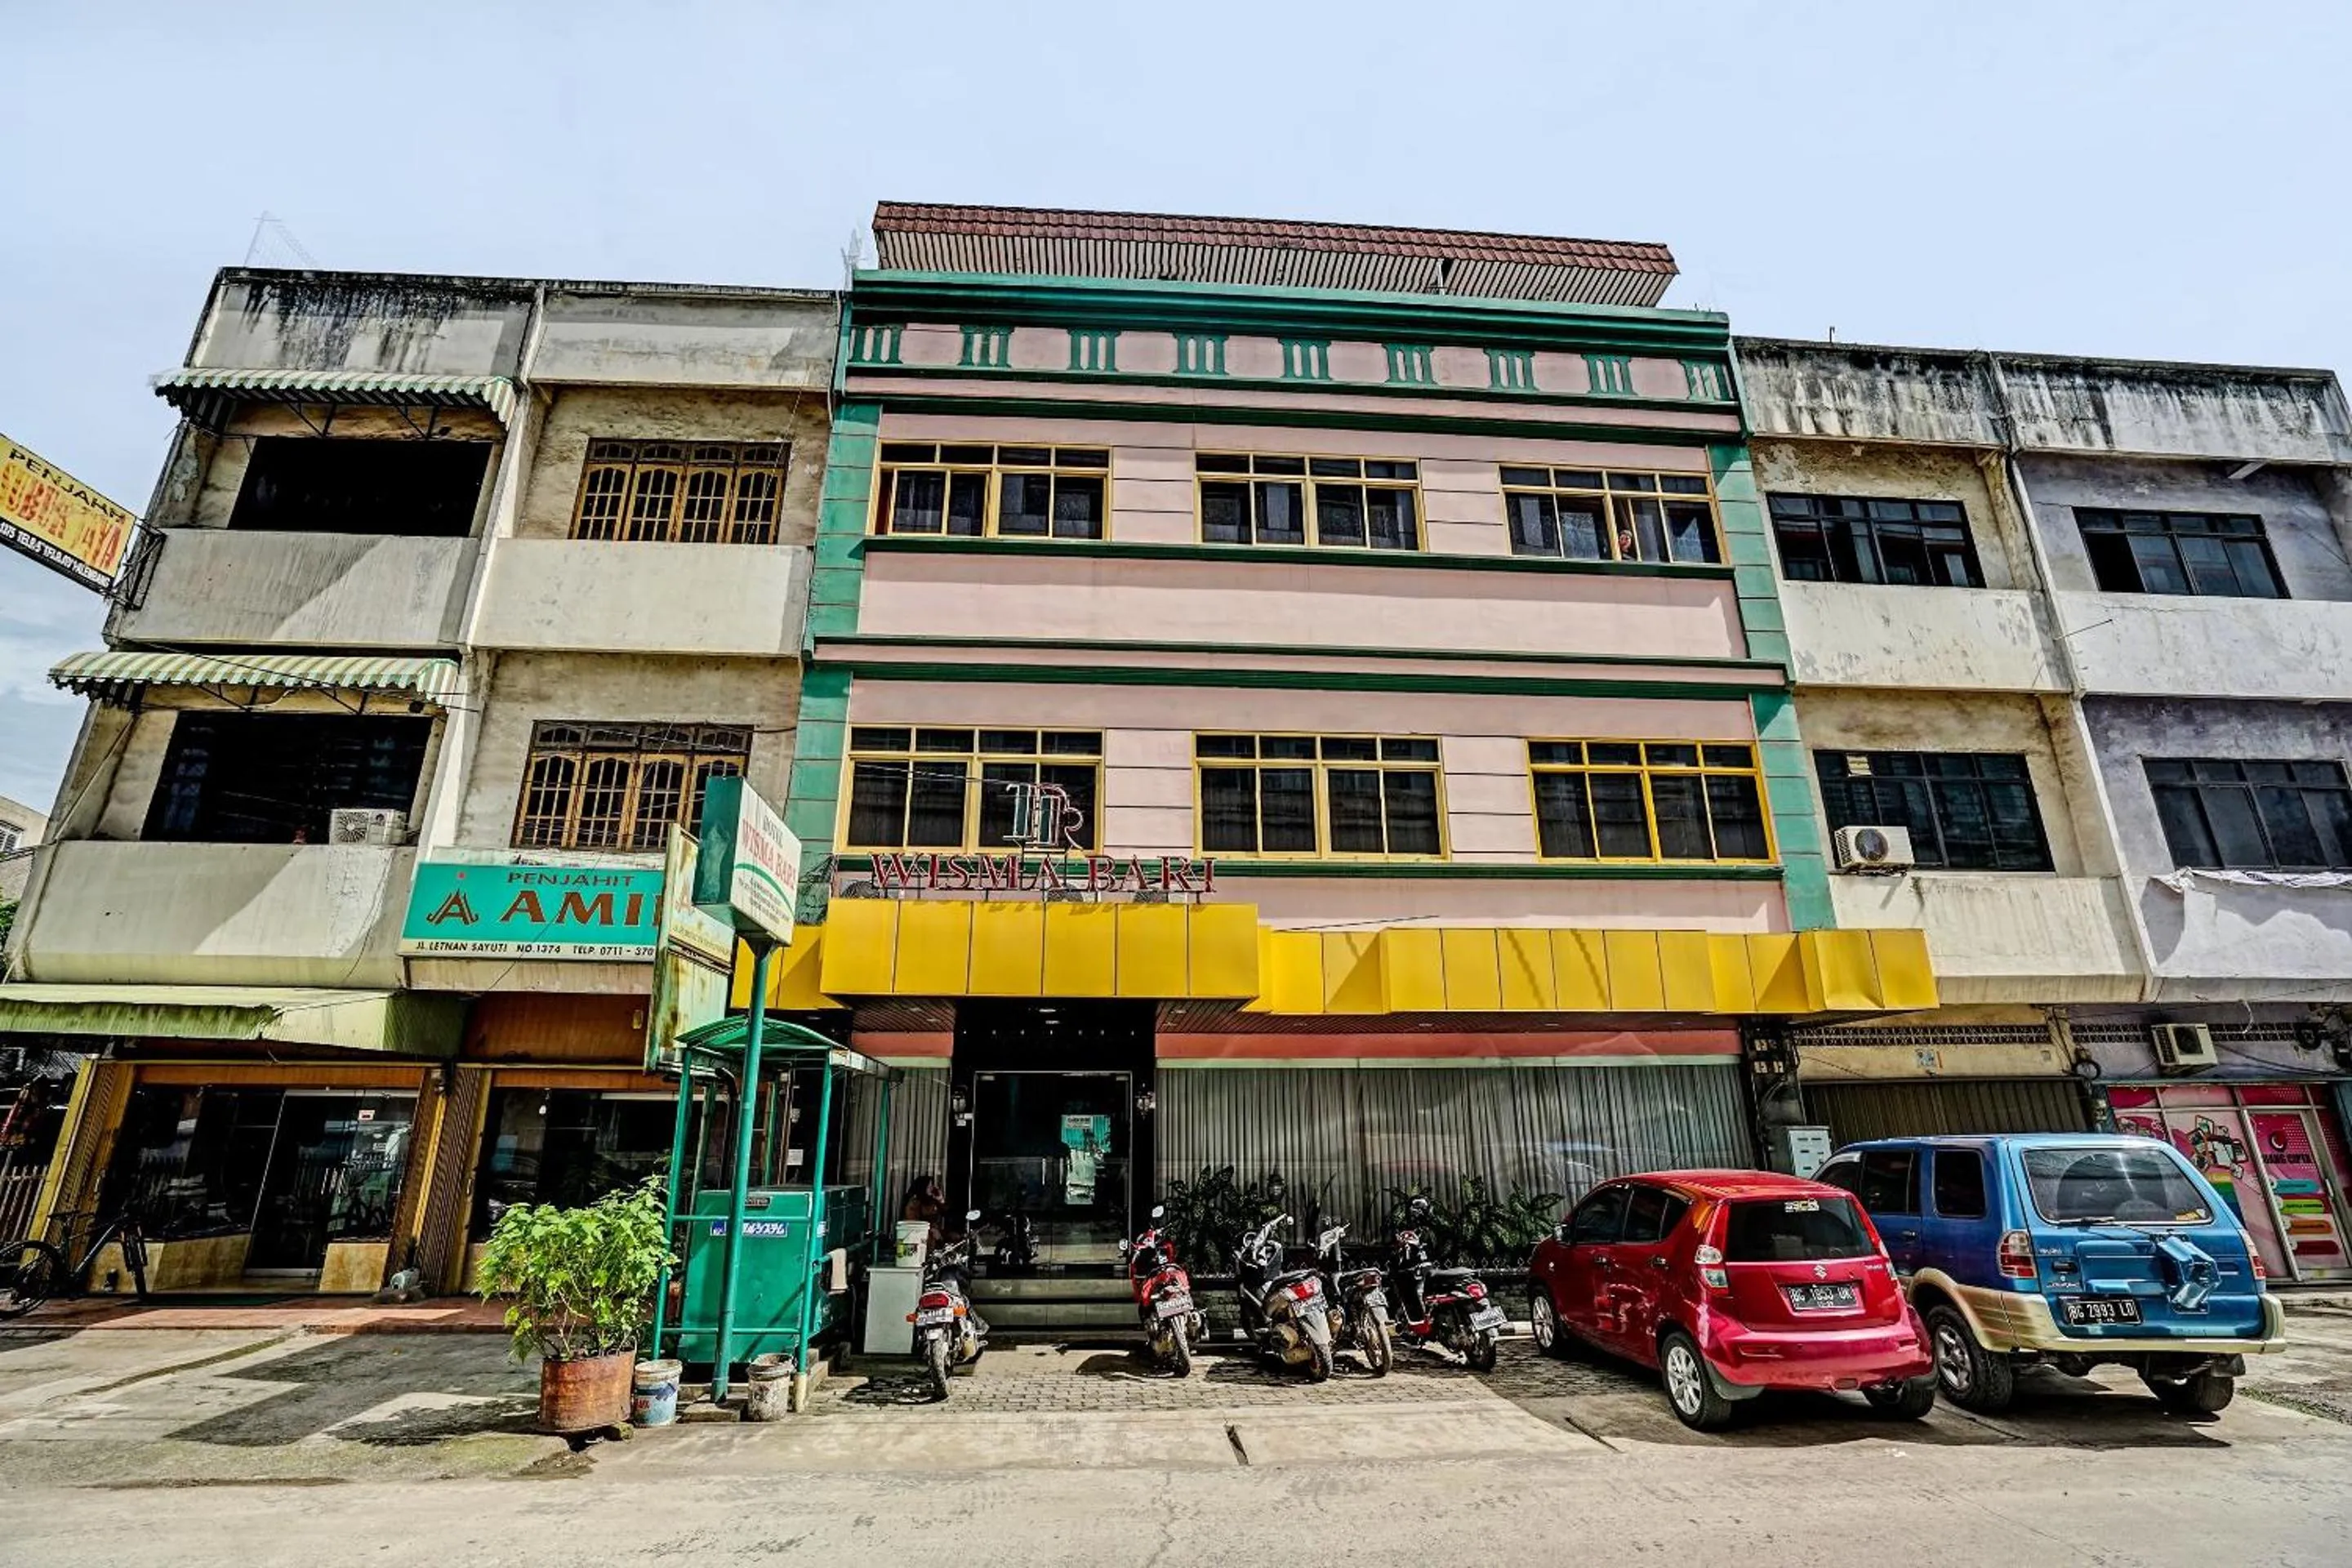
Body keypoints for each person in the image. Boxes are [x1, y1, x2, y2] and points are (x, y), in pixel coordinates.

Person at [902, 1174, 947, 1249]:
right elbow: (913, 1222)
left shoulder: (931, 1201)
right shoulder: (914, 1202)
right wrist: (931, 1229)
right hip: (919, 1239)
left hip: (933, 1238)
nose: (931, 1188)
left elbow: (946, 1214)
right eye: (929, 1186)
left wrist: (941, 1200)